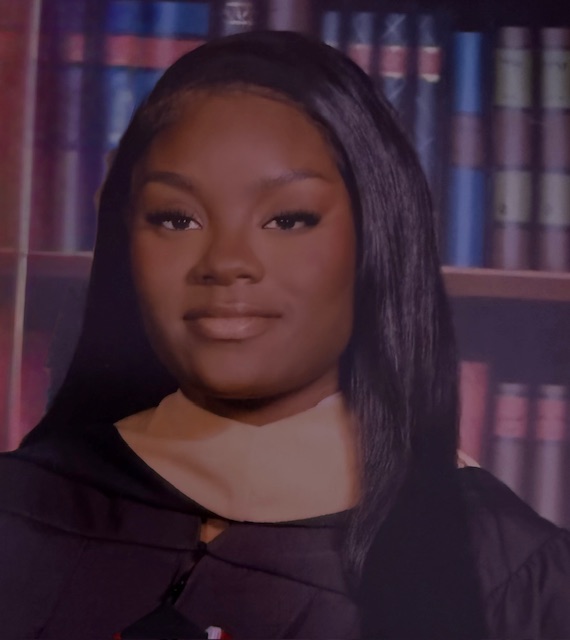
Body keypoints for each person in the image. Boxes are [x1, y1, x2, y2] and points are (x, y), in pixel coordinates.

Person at [0, 30, 569, 639]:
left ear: (376, 238)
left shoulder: (509, 572)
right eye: (175, 217)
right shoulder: (20, 507)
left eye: (288, 218)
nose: (225, 260)